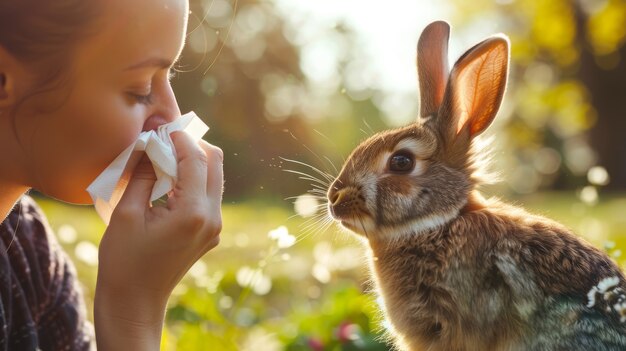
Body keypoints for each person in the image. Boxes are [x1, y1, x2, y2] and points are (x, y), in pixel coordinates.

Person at [0, 0, 224, 349]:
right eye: (139, 89)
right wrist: (132, 313)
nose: (172, 117)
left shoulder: (31, 256)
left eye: (170, 76)